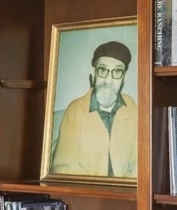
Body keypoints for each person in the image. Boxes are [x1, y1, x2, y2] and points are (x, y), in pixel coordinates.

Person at [50, 40, 137, 177]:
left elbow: (138, 161)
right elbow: (63, 166)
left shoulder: (131, 106)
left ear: (124, 78)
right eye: (103, 70)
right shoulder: (75, 109)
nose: (108, 80)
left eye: (117, 71)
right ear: (94, 73)